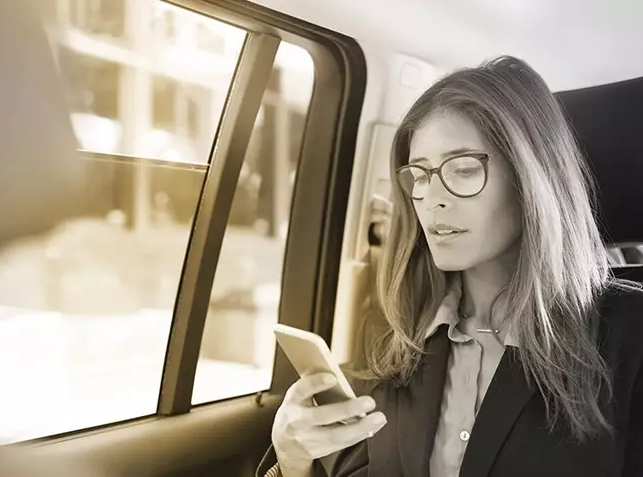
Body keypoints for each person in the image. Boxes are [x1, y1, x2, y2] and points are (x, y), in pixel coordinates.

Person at [257, 56, 643, 477]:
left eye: (462, 169)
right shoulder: (402, 338)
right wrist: (293, 460)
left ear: (531, 178)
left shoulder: (629, 337)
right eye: (419, 175)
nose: (432, 198)